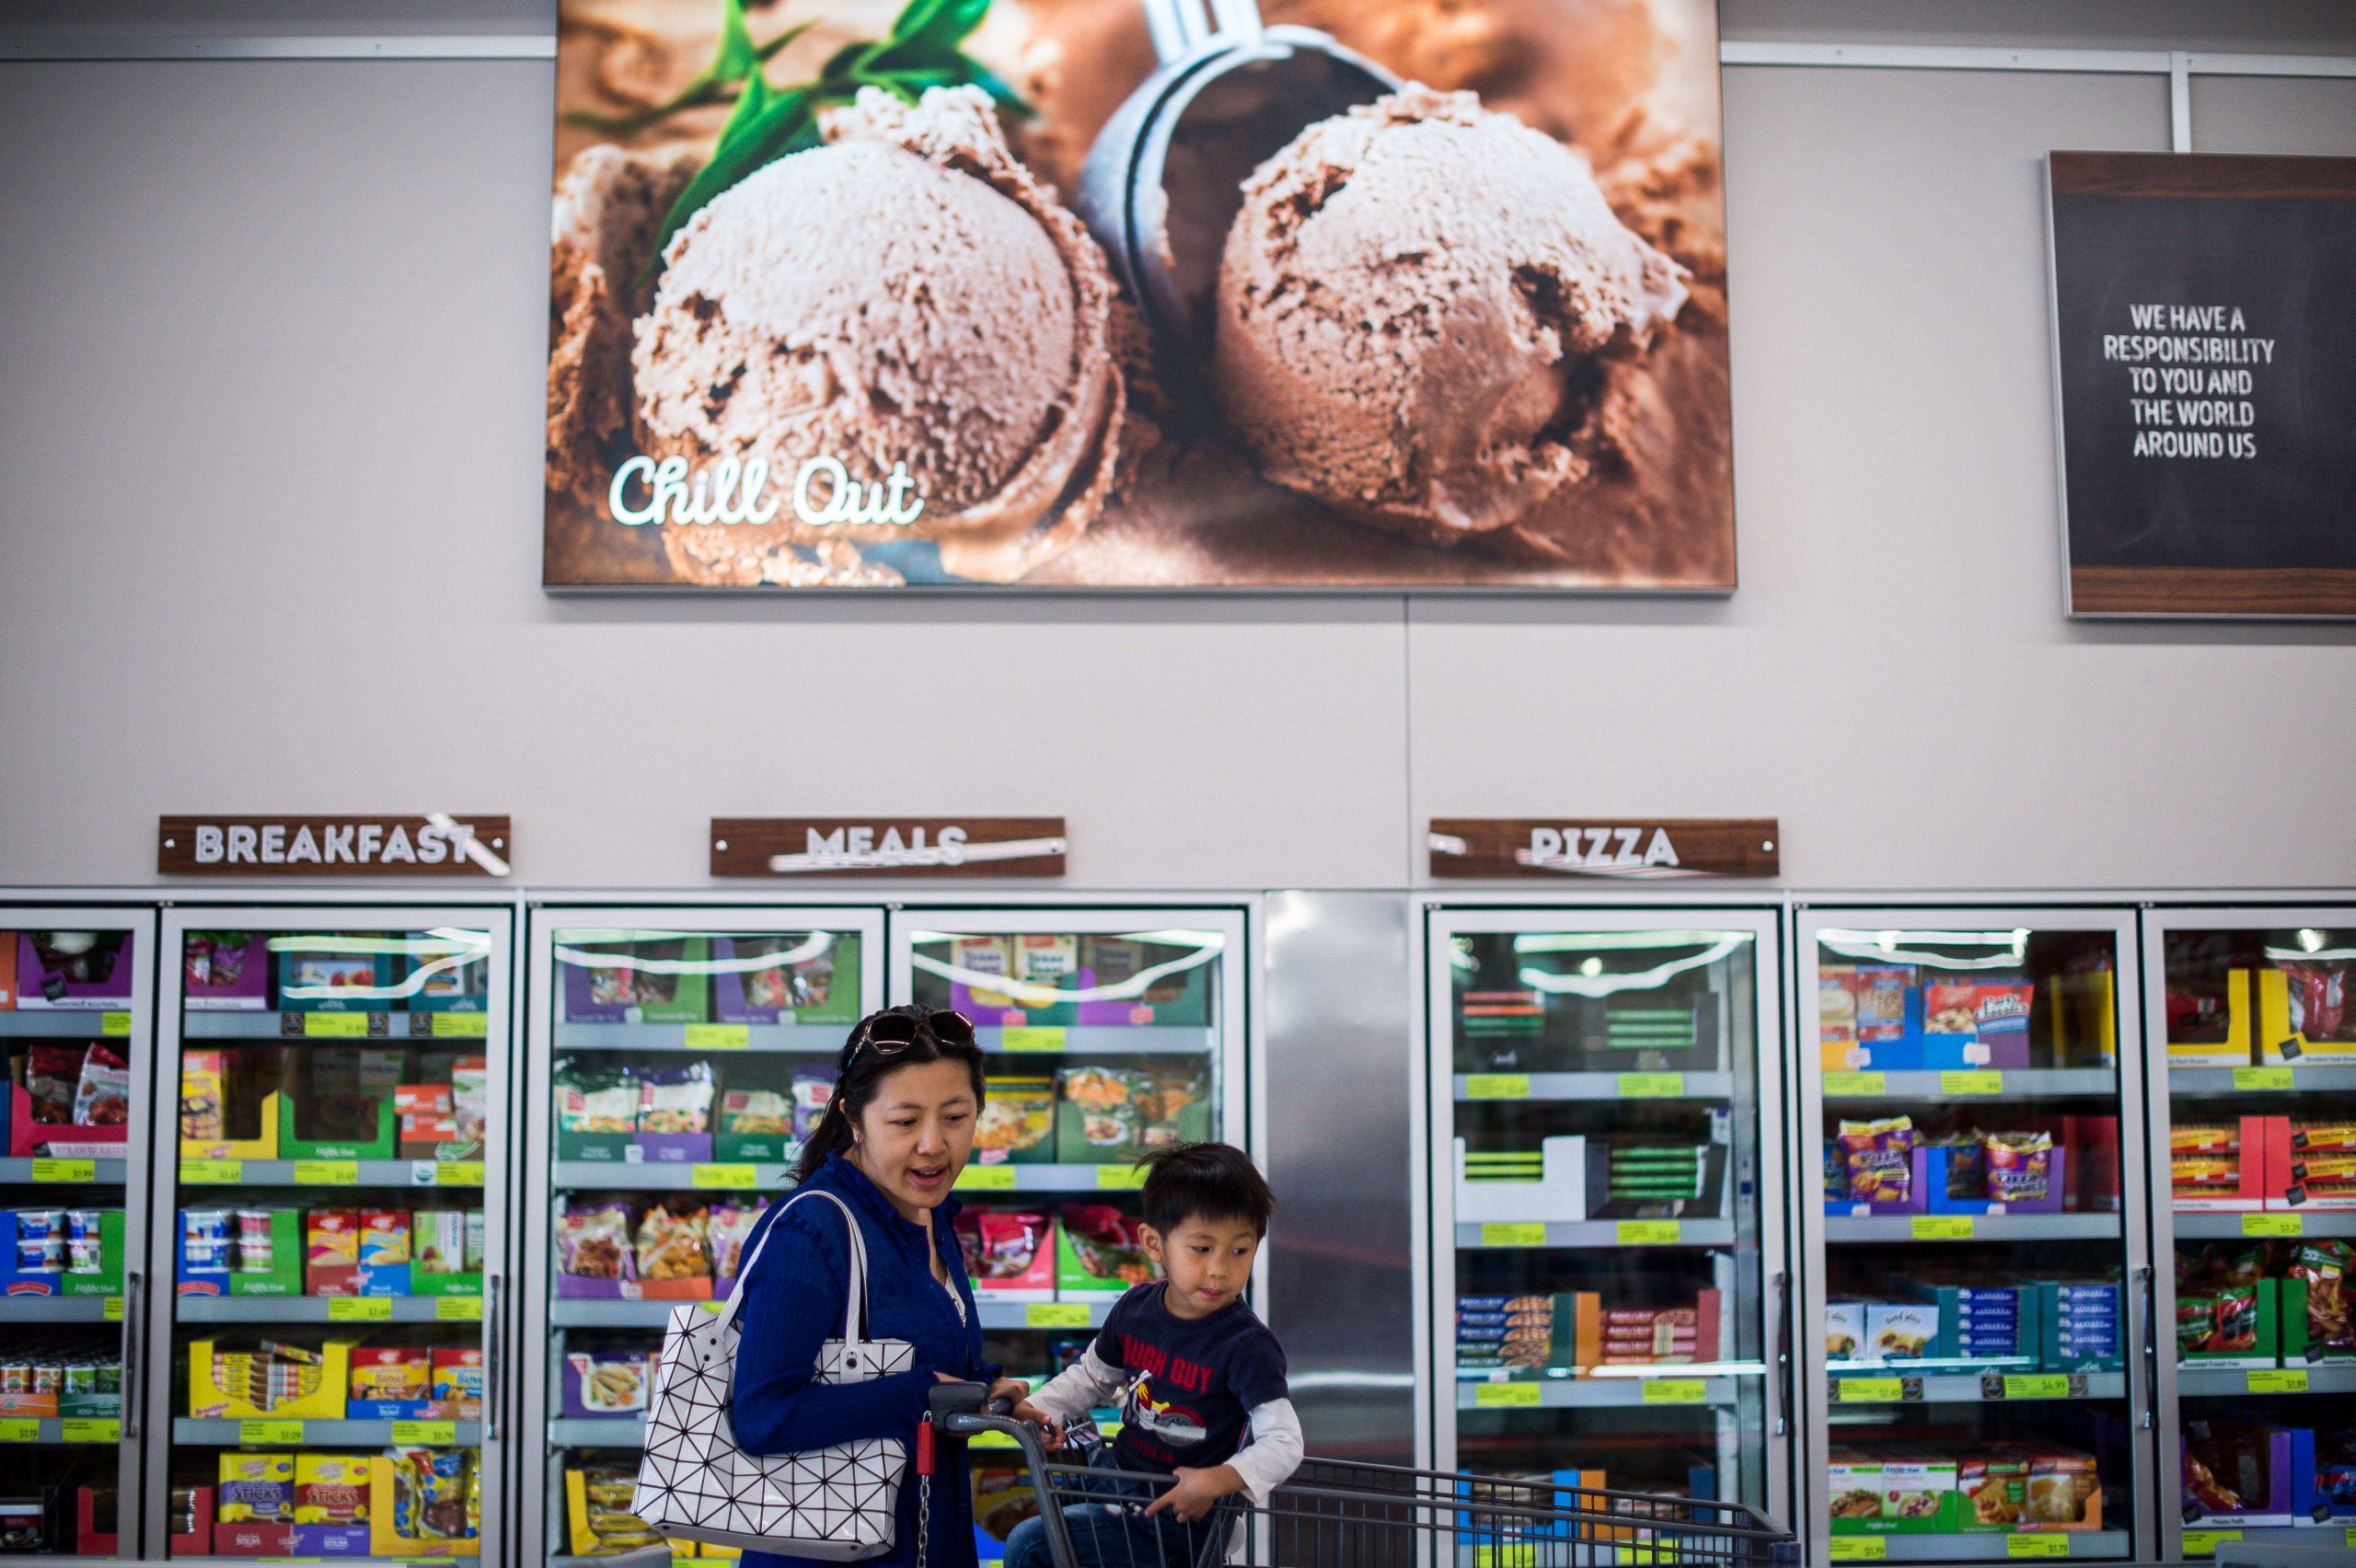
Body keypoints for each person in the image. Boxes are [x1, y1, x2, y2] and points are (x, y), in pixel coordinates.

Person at [728, 1004, 1031, 1568]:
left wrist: (987, 1393)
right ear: (854, 1118)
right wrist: (922, 1394)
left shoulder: (929, 1217)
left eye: (957, 1116)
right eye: (905, 1121)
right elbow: (762, 1416)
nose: (933, 1144)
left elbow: (896, 1362)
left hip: (923, 1539)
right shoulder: (812, 1231)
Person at [1000, 1142, 1302, 1568]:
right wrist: (1038, 1405)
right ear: (1154, 1243)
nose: (1220, 1268)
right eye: (1202, 1248)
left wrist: (1216, 1481)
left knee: (1032, 1545)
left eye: (1239, 1250)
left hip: (1178, 1517)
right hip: (1118, 1485)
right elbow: (1092, 1376)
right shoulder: (1136, 1308)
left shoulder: (1246, 1344)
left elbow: (1285, 1442)